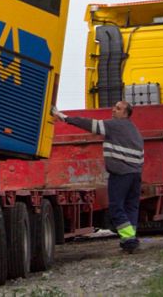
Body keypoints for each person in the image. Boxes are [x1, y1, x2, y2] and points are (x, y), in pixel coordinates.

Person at [53, 102, 144, 252]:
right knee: (131, 207)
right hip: (135, 174)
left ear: (126, 114)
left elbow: (90, 124)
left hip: (120, 174)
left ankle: (129, 240)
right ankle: (130, 237)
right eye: (114, 107)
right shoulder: (134, 129)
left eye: (118, 108)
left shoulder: (115, 125)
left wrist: (64, 118)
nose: (113, 110)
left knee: (116, 207)